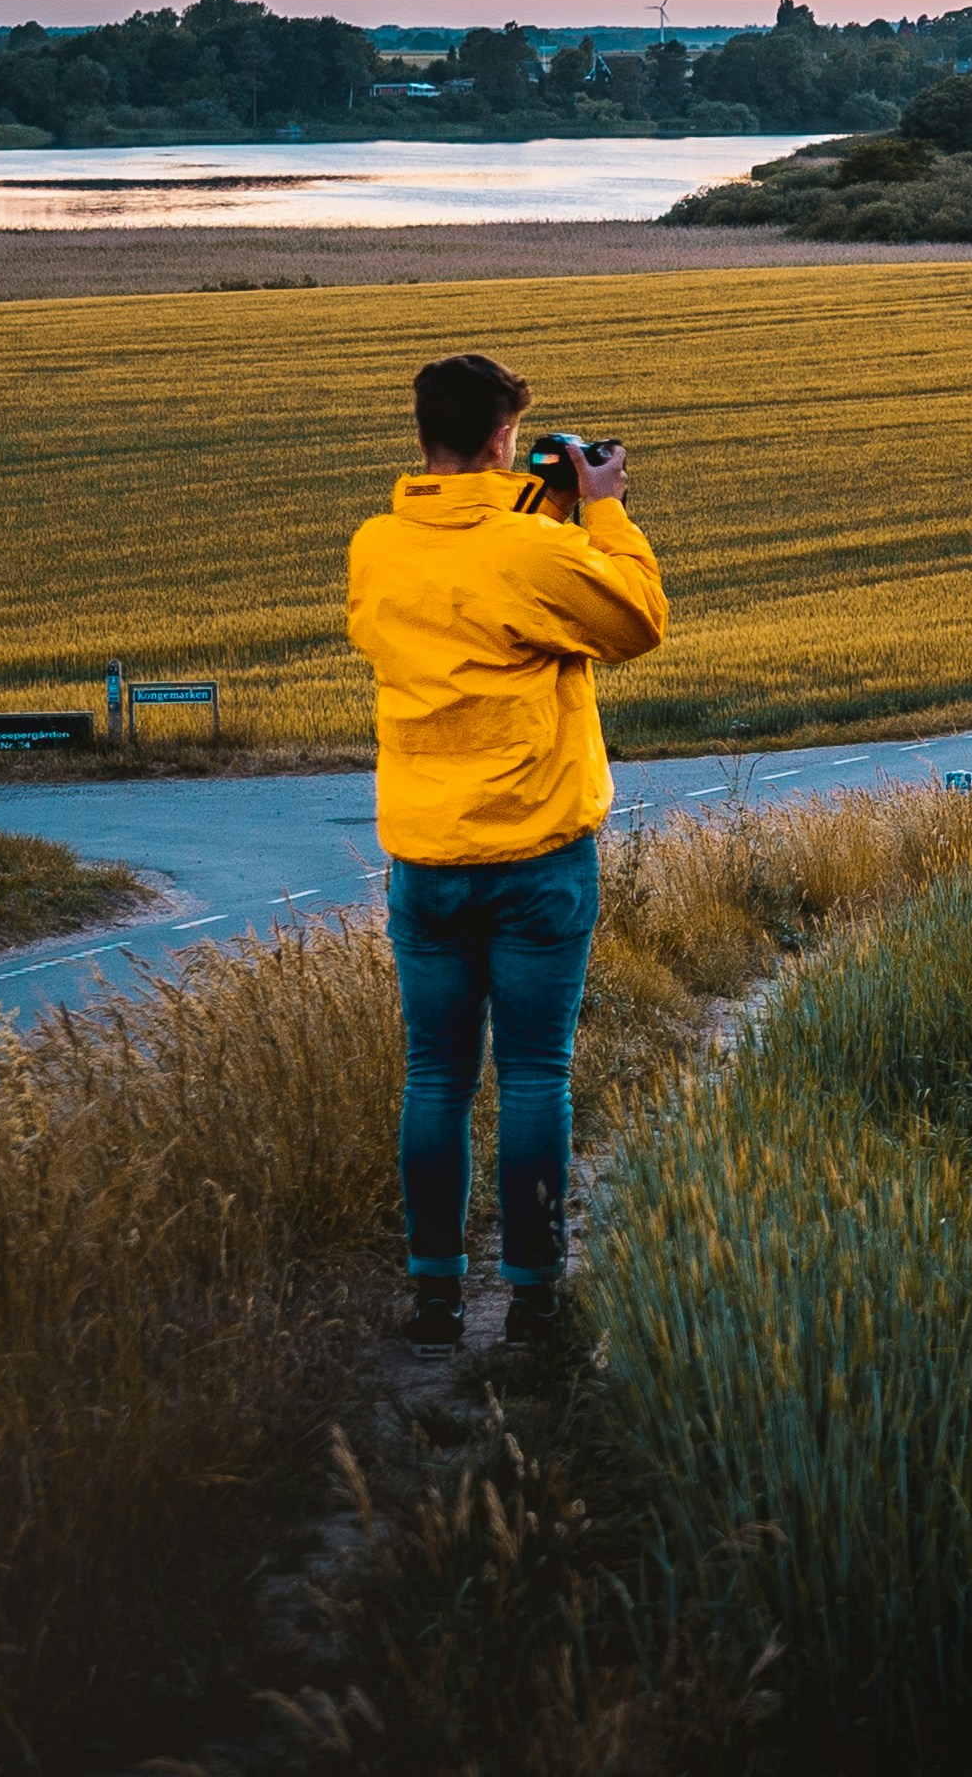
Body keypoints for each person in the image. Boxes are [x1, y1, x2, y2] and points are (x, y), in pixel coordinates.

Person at [345, 351, 668, 1357]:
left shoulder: (377, 548)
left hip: (427, 858)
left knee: (434, 1074)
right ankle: (533, 1294)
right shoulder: (535, 554)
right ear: (499, 438)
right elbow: (635, 621)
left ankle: (434, 1296)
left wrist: (538, 510)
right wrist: (600, 507)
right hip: (537, 853)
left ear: (420, 434)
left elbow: (475, 570)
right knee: (535, 1070)